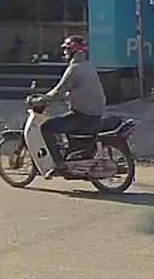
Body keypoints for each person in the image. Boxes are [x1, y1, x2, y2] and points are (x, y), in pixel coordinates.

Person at [37, 35, 107, 174]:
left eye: (66, 50)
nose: (64, 53)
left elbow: (58, 91)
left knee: (46, 127)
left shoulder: (74, 69)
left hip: (83, 115)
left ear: (73, 51)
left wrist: (42, 100)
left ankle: (59, 164)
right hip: (94, 112)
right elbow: (79, 89)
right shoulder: (88, 66)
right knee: (63, 121)